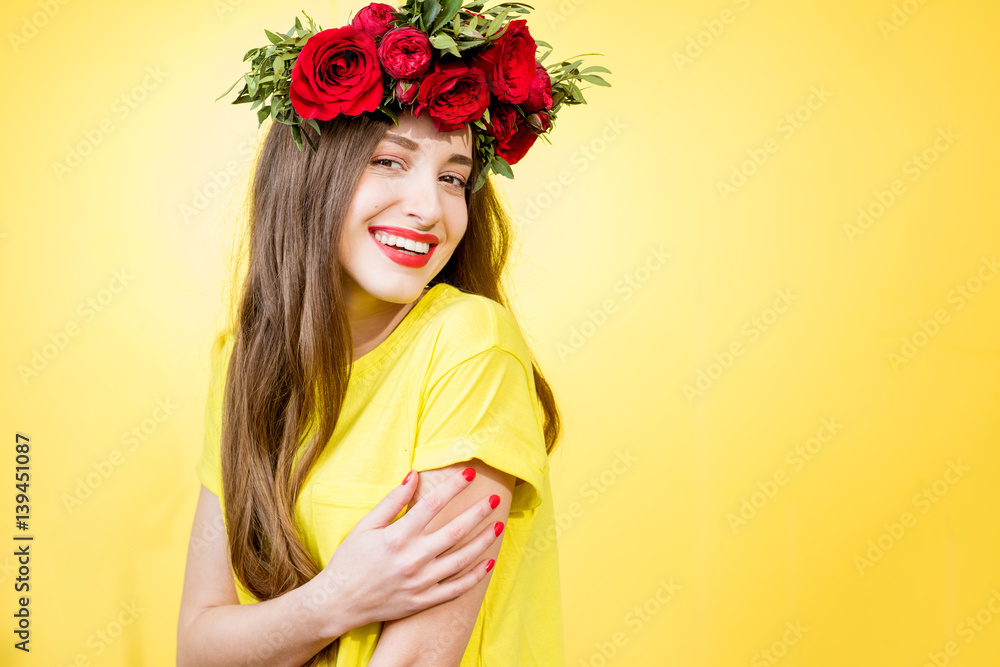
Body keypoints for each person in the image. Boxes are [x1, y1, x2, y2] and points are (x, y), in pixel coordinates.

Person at [176, 3, 609, 665]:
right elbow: (200, 648)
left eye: (452, 177)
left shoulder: (471, 346)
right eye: (387, 161)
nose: (429, 208)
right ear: (308, 175)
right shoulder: (244, 363)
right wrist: (338, 598)